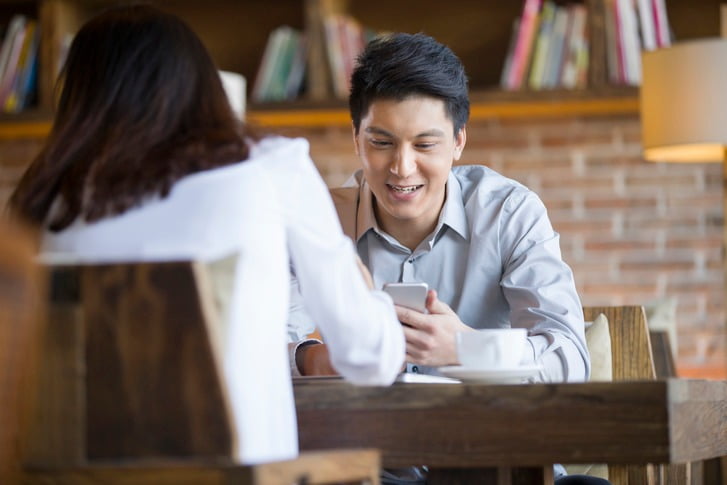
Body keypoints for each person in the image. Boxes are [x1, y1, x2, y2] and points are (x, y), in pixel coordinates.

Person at [7, 5, 404, 466]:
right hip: (232, 474)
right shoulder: (271, 166)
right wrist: (366, 290)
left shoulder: (37, 203)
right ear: (200, 87)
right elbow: (369, 358)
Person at [288, 33, 608, 485]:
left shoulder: (508, 212)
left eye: (424, 145)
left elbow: (570, 358)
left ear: (458, 141)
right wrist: (314, 361)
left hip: (496, 466)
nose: (401, 167)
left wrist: (466, 349)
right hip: (368, 471)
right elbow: (257, 349)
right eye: (382, 143)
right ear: (357, 139)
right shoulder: (320, 222)